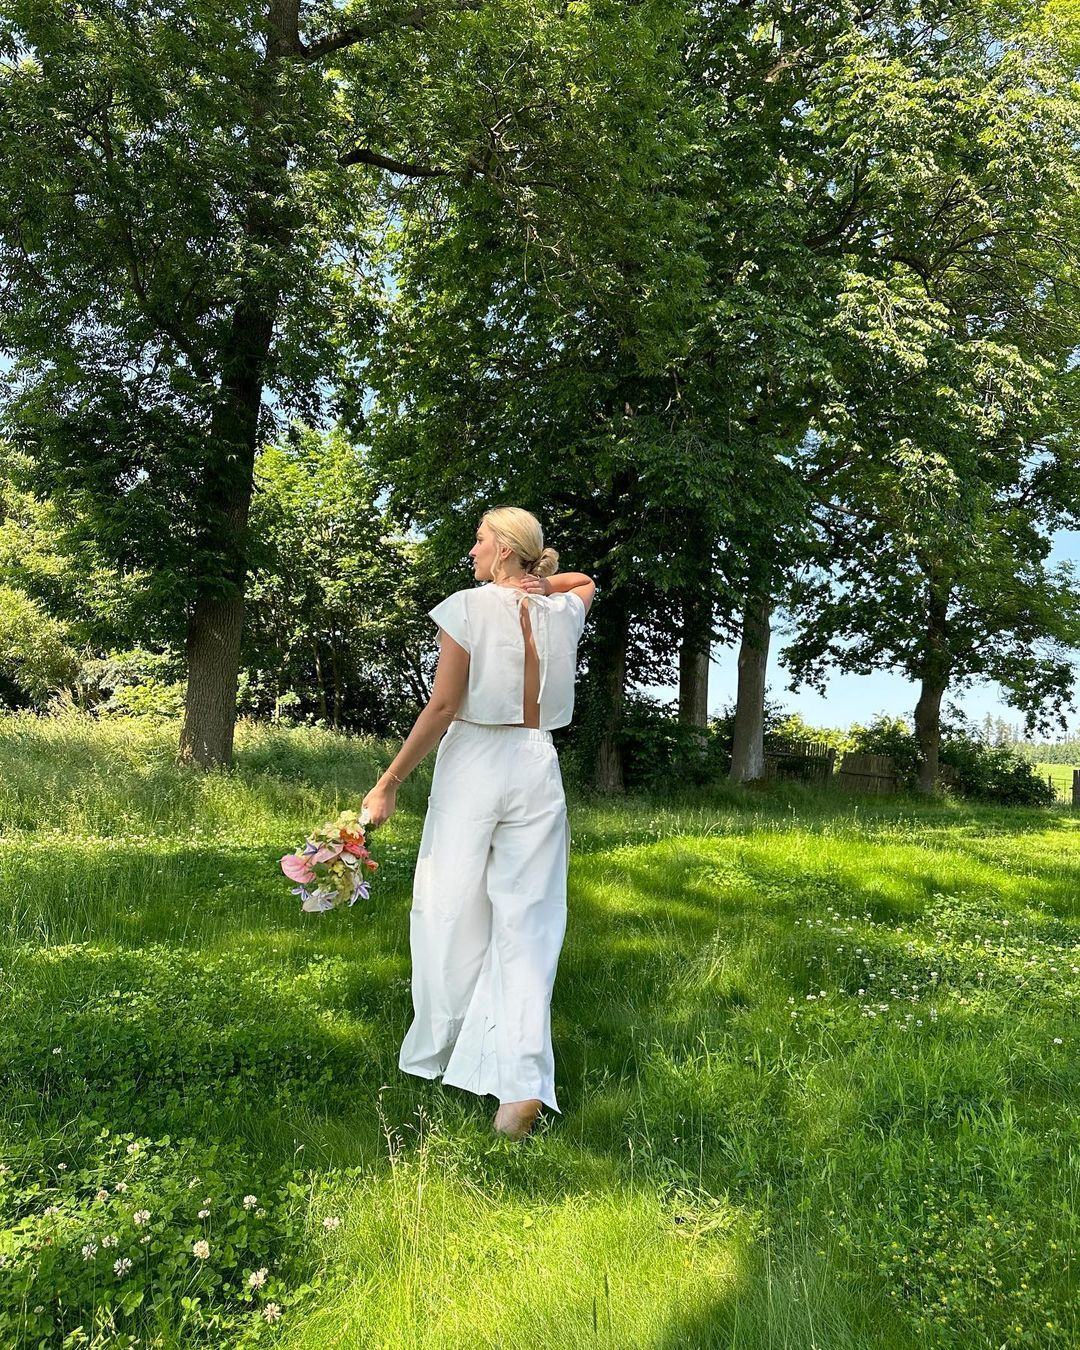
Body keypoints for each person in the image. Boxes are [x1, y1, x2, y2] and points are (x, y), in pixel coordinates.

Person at [362, 507, 595, 1140]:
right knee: (530, 923)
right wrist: (543, 583)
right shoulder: (562, 609)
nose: (472, 549)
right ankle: (519, 1088)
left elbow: (443, 706)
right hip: (537, 761)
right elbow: (585, 581)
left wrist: (388, 783)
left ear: (505, 550)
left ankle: (449, 1048)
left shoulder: (466, 607)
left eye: (481, 539)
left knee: (448, 910)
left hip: (475, 761)